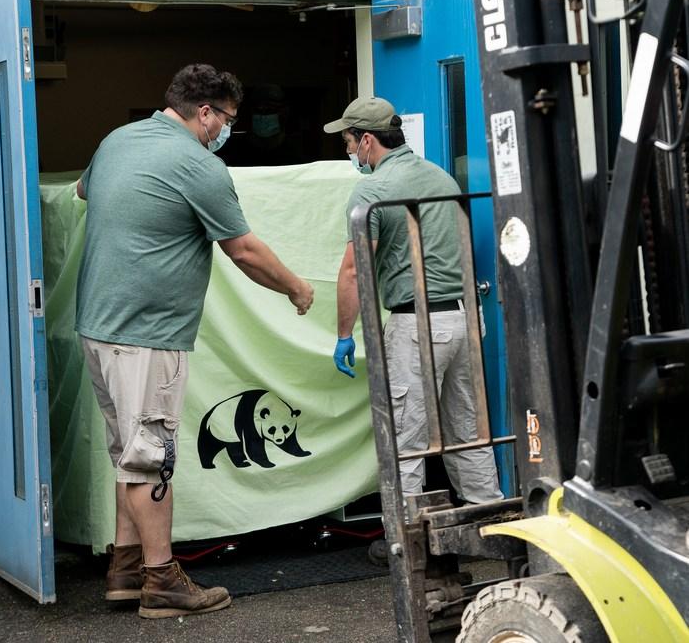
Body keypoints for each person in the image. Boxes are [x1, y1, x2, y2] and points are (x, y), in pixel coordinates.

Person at [75, 63, 314, 619]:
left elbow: (87, 192)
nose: (227, 129)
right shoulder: (196, 163)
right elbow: (245, 251)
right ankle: (162, 582)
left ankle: (126, 568)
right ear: (204, 111)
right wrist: (298, 289)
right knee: (151, 458)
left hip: (98, 326)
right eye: (226, 118)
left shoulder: (117, 140)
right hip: (147, 335)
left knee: (127, 454)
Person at [323, 97, 503, 562]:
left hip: (417, 323)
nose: (350, 153)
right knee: (469, 431)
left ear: (367, 140)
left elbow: (352, 271)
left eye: (348, 142)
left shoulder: (372, 191)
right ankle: (489, 527)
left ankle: (406, 540)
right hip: (464, 319)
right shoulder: (439, 176)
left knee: (405, 441)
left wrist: (345, 333)